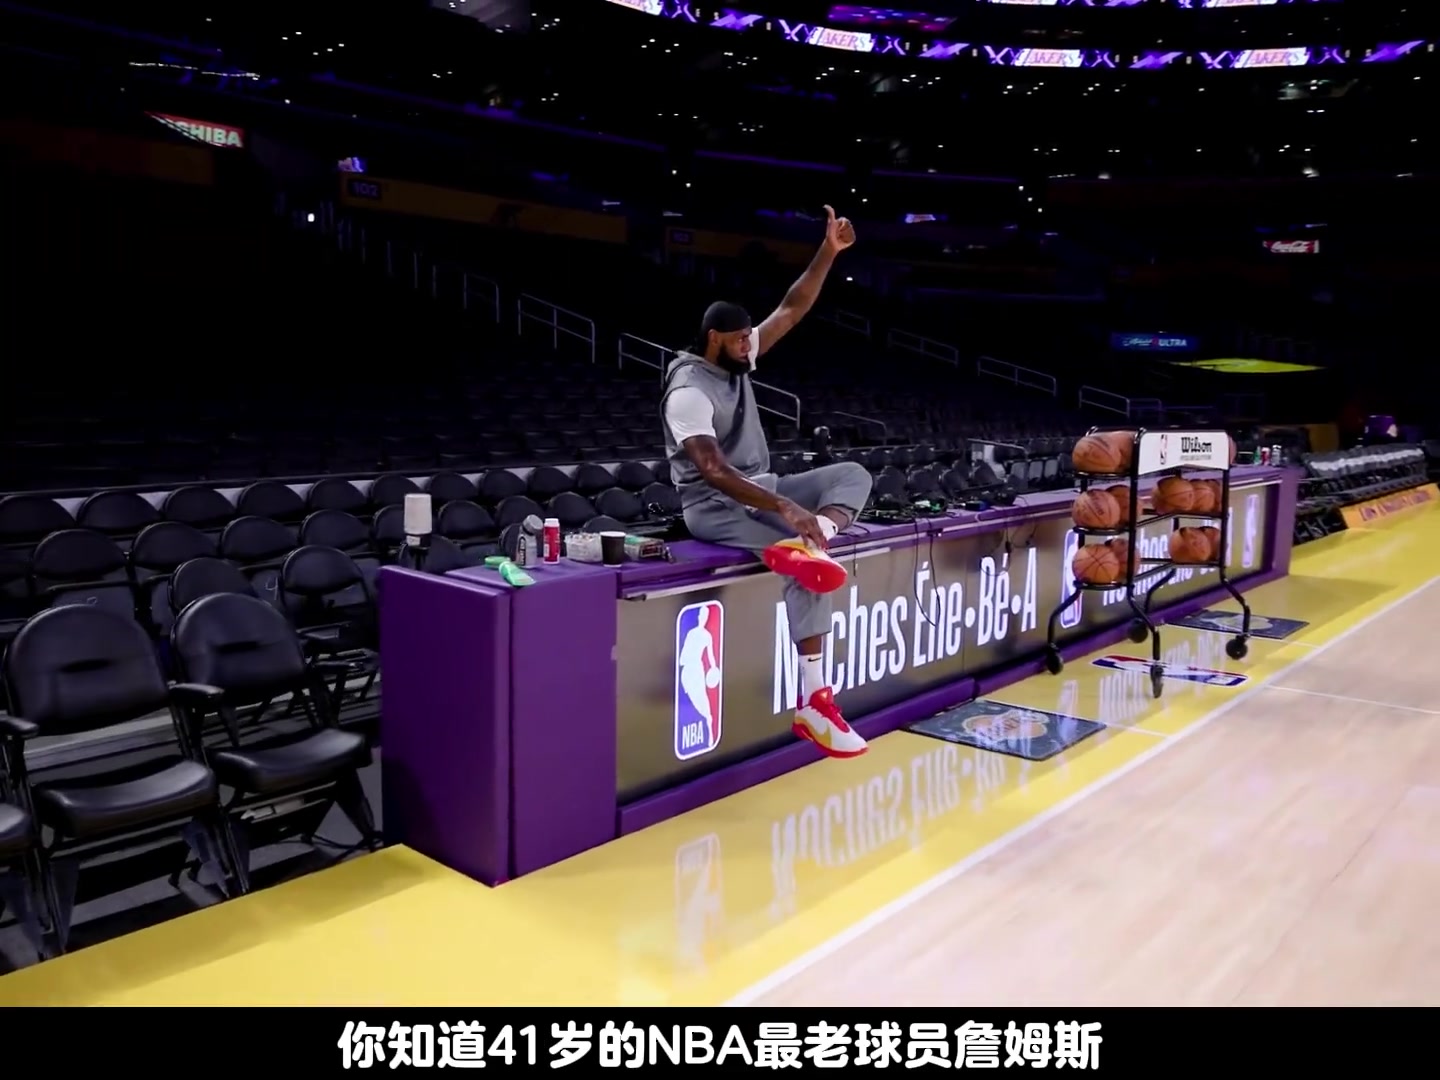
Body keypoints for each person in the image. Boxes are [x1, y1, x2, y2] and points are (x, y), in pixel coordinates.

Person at [659, 206, 875, 759]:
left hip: (761, 488)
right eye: (740, 341)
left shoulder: (736, 356)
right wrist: (787, 509)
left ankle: (821, 534)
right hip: (713, 506)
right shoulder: (688, 391)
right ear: (714, 339)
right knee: (808, 564)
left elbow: (792, 308)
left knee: (852, 474)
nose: (749, 347)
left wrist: (828, 251)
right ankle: (814, 703)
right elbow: (714, 472)